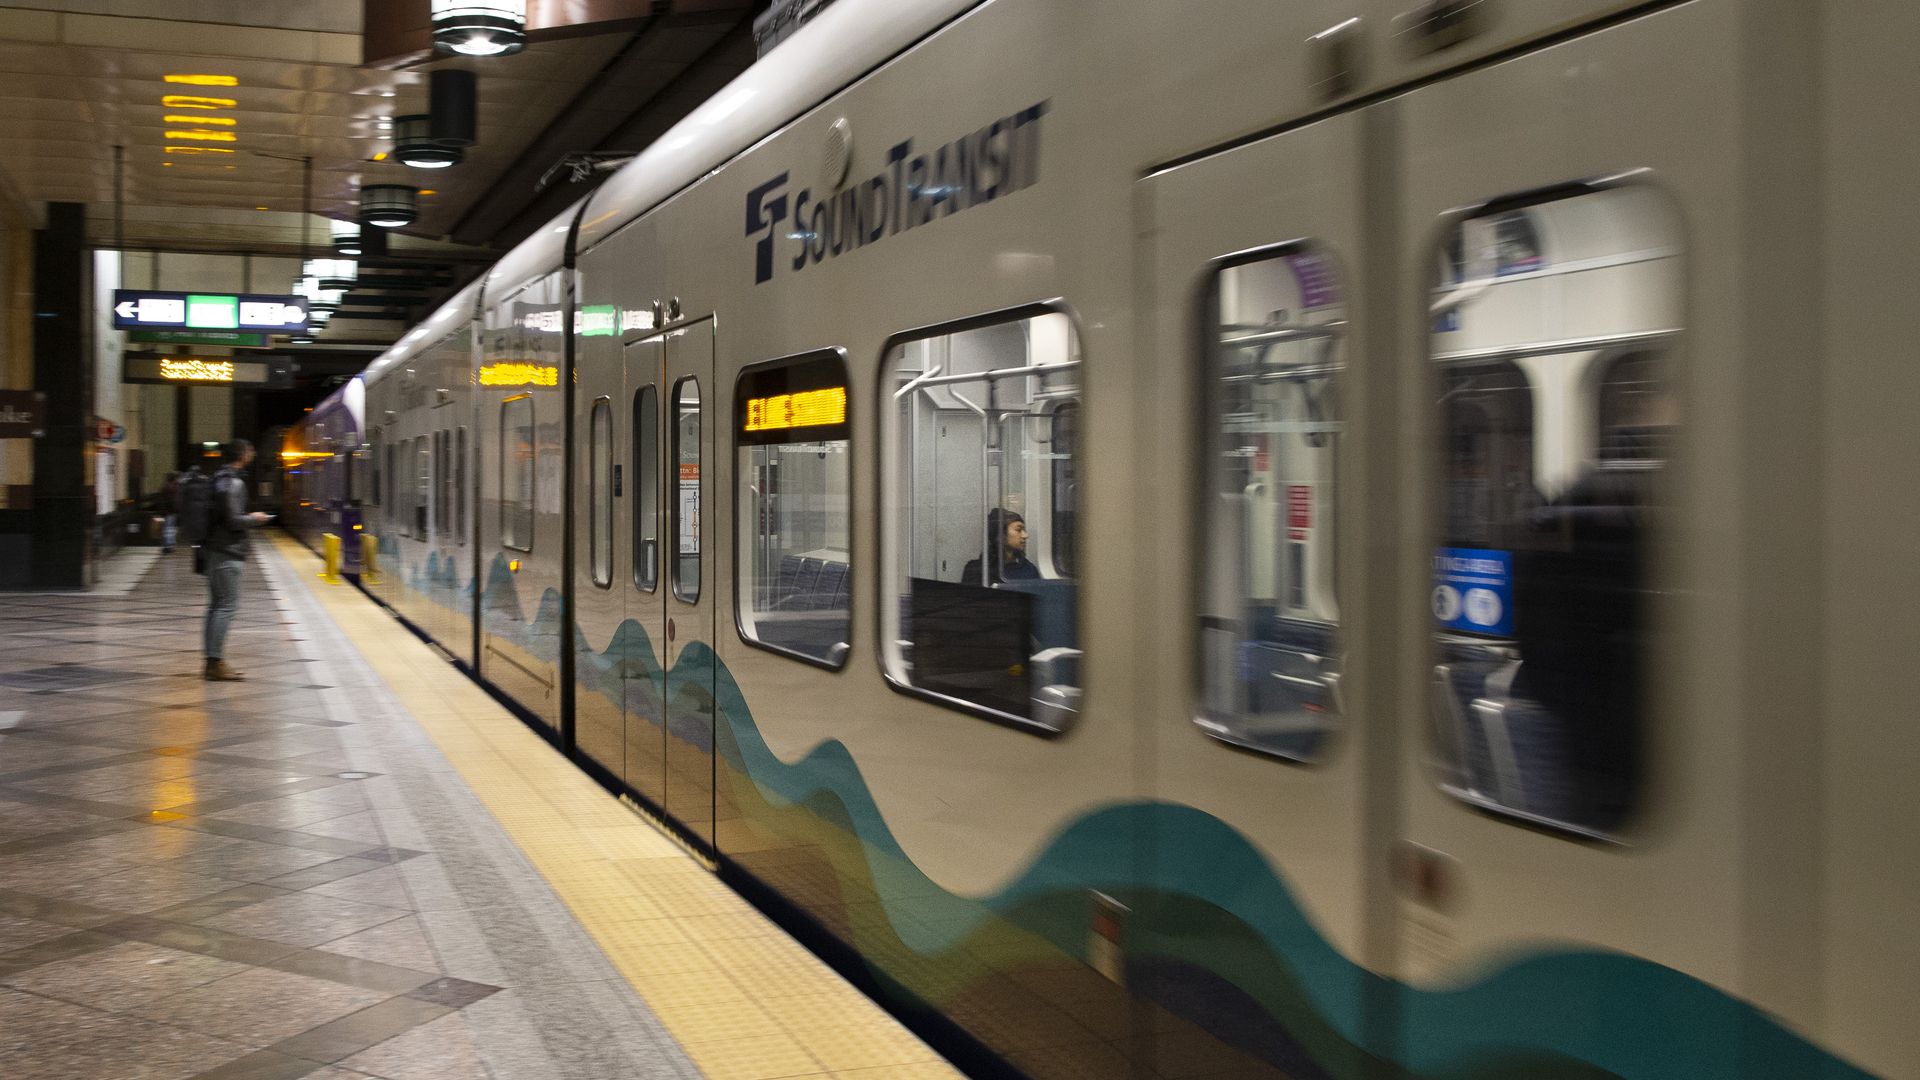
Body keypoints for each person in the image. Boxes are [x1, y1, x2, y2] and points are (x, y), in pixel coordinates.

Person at [202, 439, 271, 681]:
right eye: (250, 450)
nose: (252, 454)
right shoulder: (233, 482)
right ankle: (215, 663)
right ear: (242, 455)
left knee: (215, 607)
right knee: (226, 606)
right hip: (227, 552)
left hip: (215, 550)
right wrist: (255, 518)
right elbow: (232, 520)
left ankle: (212, 662)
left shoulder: (217, 479)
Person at [960, 508, 1040, 586]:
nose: (1025, 535)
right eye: (1018, 530)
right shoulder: (976, 570)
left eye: (1024, 530)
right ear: (1001, 535)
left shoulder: (1029, 569)